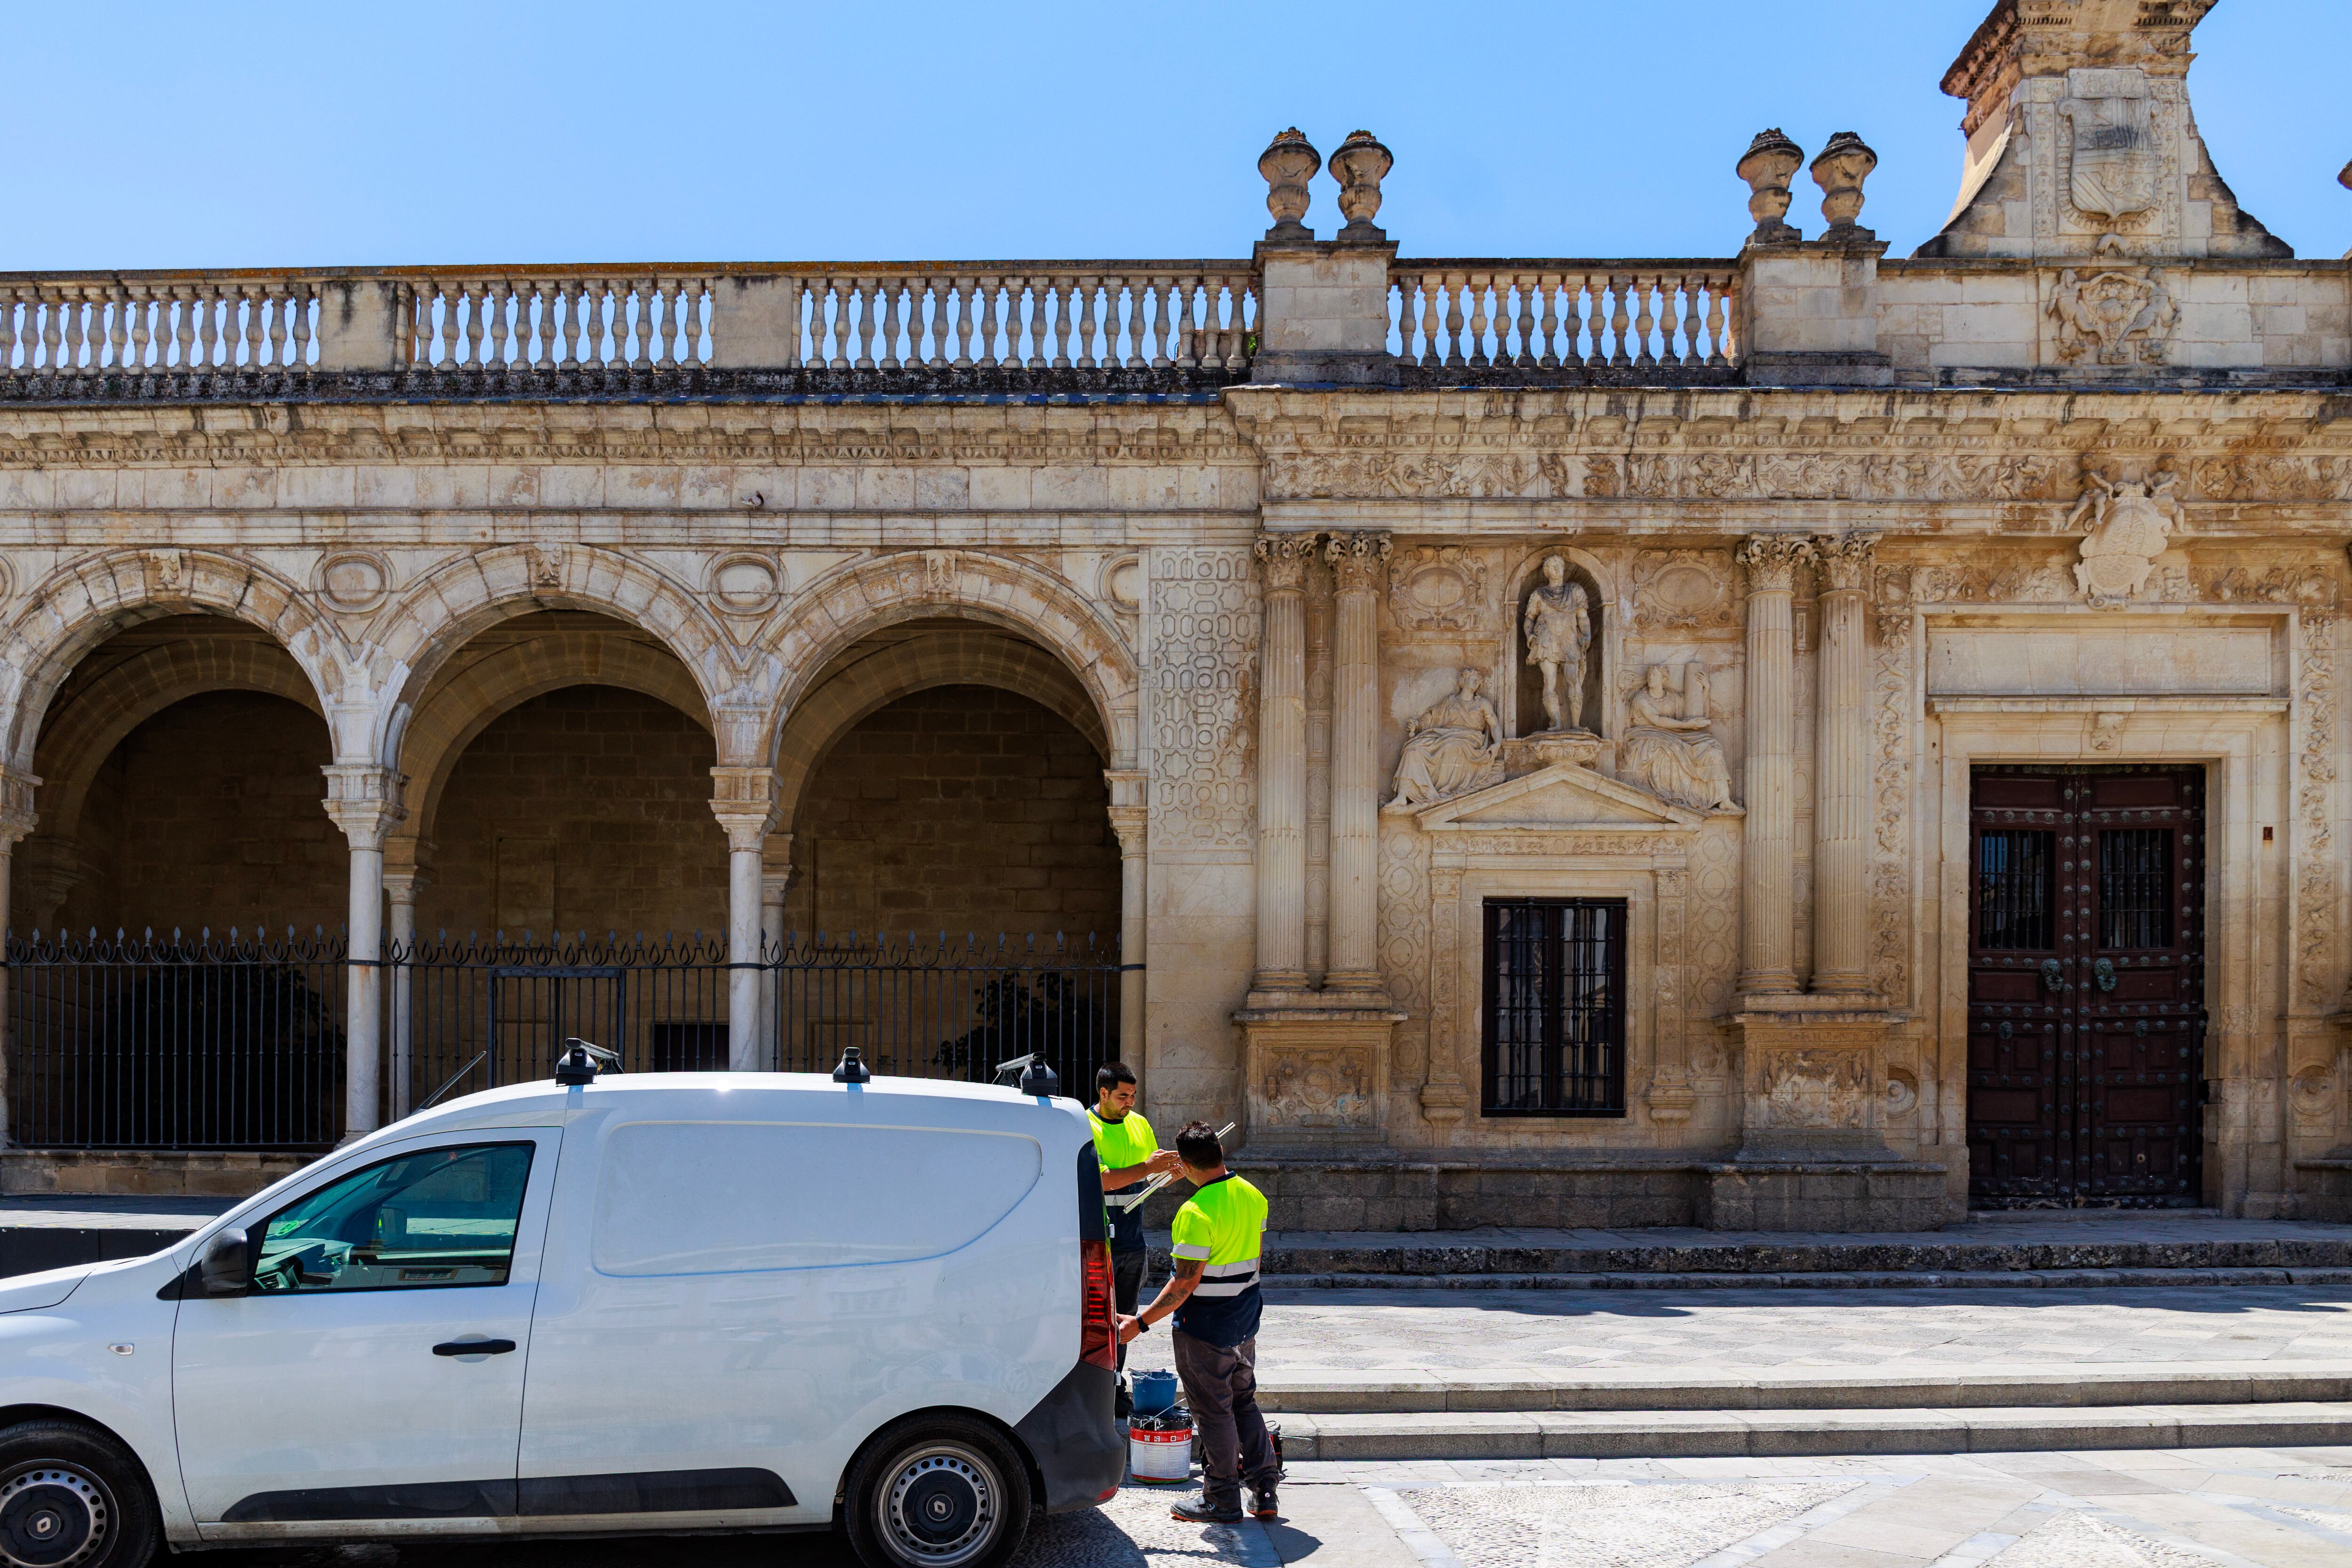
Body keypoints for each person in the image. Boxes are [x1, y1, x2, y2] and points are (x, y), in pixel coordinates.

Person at [1117, 1121, 1279, 1524]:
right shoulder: (1253, 1195)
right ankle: (1264, 1489)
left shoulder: (1194, 1211)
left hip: (1205, 1326)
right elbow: (1255, 1260)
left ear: (1186, 1167)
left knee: (1213, 1411)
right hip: (1245, 1318)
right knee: (1243, 1400)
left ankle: (1221, 1497)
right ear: (1220, 1153)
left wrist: (1140, 1322)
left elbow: (1185, 1282)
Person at [1088, 1062, 1181, 1406]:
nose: (1130, 1102)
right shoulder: (1087, 1125)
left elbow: (1151, 1178)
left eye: (1133, 1095)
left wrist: (1174, 1173)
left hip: (1133, 1240)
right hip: (1098, 1240)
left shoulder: (1139, 1123)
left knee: (1126, 1317)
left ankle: (1115, 1387)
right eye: (1123, 1096)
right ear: (1103, 1093)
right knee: (1097, 1318)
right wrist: (1147, 1168)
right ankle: (1093, 1390)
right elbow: (1100, 1179)